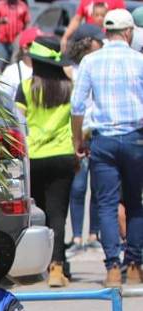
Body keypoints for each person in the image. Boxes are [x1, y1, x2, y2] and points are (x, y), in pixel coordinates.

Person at [71, 9, 143, 287]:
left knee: (107, 204)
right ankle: (135, 264)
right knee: (136, 203)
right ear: (128, 32)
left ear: (107, 32)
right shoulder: (139, 60)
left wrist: (78, 139)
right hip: (136, 137)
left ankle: (113, 266)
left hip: (103, 140)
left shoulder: (91, 61)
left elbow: (77, 106)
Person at [15, 37, 77, 287]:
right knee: (58, 214)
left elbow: (18, 121)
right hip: (63, 154)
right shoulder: (69, 87)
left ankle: (39, 265)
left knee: (39, 211)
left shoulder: (26, 87)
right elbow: (77, 119)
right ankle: (57, 267)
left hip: (35, 156)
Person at [65, 24, 105, 257]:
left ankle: (94, 234)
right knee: (78, 187)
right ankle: (77, 235)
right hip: (78, 135)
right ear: (86, 43)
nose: (102, 43)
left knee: (99, 189)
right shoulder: (71, 71)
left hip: (95, 134)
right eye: (97, 40)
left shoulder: (100, 67)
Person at [61, 0, 125, 51]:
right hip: (88, 44)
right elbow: (77, 19)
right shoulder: (85, 1)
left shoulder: (117, 1)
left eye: (102, 15)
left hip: (108, 44)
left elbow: (123, 21)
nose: (100, 18)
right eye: (97, 15)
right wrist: (65, 37)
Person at [0, 27, 39, 99]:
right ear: (25, 48)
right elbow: (1, 101)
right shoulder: (12, 72)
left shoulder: (46, 71)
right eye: (39, 45)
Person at [0, 0, 30, 65]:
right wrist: (0, 21)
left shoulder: (22, 6)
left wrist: (25, 40)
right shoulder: (0, 5)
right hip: (3, 41)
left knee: (14, 64)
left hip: (17, 41)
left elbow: (27, 23)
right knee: (1, 62)